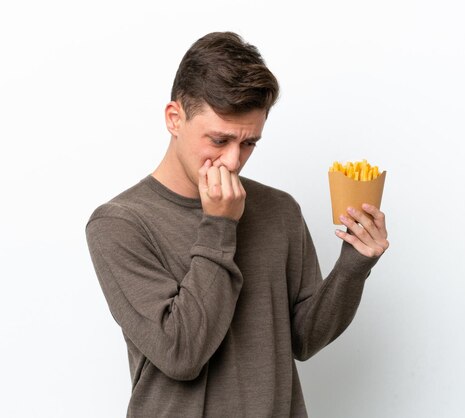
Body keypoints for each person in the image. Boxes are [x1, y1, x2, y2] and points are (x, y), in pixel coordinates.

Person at [86, 31, 389, 417]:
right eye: (219, 140)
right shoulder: (120, 224)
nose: (233, 160)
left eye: (249, 144)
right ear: (174, 118)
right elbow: (181, 353)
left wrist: (353, 266)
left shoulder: (279, 210)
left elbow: (304, 339)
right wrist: (219, 225)